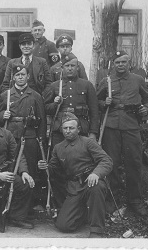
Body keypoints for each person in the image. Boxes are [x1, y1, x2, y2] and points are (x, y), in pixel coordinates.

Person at [38, 112, 113, 238]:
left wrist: (96, 174)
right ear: (61, 130)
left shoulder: (88, 142)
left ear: (78, 129)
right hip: (74, 188)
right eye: (65, 128)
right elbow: (53, 169)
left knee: (97, 187)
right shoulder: (58, 148)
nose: (68, 131)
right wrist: (45, 167)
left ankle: (96, 230)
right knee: (64, 226)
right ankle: (84, 213)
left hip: (91, 182)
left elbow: (106, 160)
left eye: (71, 128)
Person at [97, 50, 148, 216]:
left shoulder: (137, 80)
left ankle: (135, 201)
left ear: (129, 64)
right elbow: (96, 100)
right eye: (117, 62)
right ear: (113, 64)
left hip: (131, 126)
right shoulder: (106, 81)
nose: (120, 65)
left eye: (123, 62)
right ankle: (111, 200)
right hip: (111, 126)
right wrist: (103, 103)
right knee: (111, 163)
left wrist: (146, 109)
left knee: (134, 163)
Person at [43, 53, 99, 207]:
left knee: (80, 164)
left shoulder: (86, 85)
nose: (70, 68)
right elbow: (45, 108)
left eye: (72, 65)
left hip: (79, 129)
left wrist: (93, 133)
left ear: (77, 67)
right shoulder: (55, 86)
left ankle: (81, 201)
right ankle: (61, 203)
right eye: (67, 66)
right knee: (58, 167)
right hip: (60, 131)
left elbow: (94, 111)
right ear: (62, 68)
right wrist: (55, 104)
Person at [0, 63, 46, 207]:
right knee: (12, 169)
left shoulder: (35, 96)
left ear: (28, 76)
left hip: (30, 136)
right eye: (17, 75)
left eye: (23, 75)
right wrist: (2, 115)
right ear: (13, 78)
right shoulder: (6, 95)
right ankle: (11, 205)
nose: (20, 77)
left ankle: (28, 208)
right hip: (11, 135)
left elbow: (42, 120)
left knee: (29, 170)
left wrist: (41, 140)